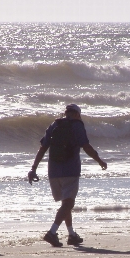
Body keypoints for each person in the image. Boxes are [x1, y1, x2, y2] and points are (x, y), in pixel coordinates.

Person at [28, 104, 107, 247]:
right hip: (70, 170)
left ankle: (71, 235)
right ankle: (52, 233)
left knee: (66, 203)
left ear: (66, 113)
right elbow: (86, 147)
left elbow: (43, 148)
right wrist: (99, 161)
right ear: (77, 114)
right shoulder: (77, 125)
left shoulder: (55, 124)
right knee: (69, 203)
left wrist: (33, 168)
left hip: (53, 171)